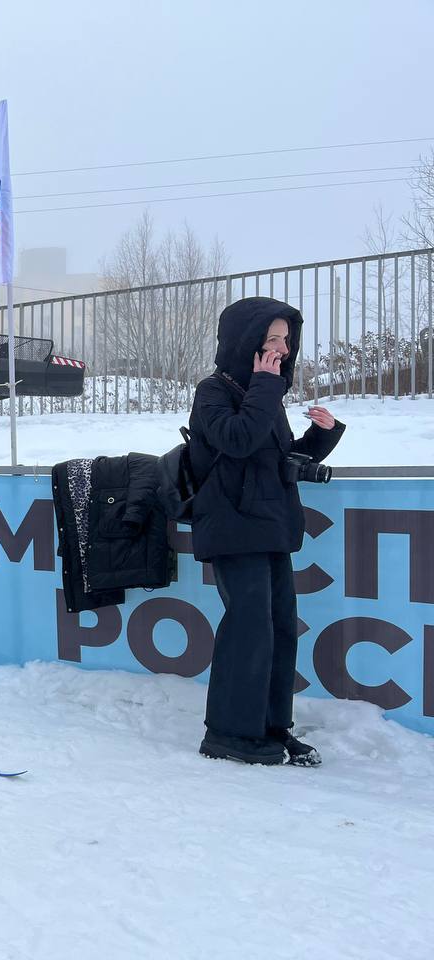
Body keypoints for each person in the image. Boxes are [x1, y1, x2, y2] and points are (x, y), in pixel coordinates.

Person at [188, 297, 344, 766]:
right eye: (271, 338)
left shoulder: (265, 395)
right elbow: (236, 440)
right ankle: (230, 734)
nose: (281, 347)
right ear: (245, 341)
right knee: (248, 629)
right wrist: (264, 387)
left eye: (285, 339)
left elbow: (275, 459)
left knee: (279, 630)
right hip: (233, 527)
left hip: (271, 527)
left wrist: (322, 436)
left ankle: (272, 727)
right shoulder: (213, 391)